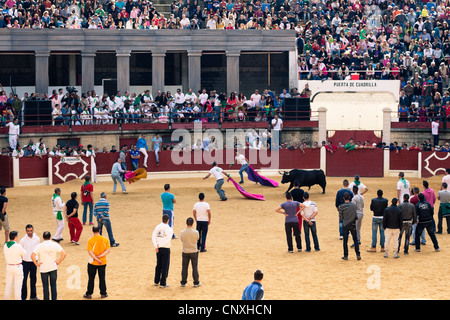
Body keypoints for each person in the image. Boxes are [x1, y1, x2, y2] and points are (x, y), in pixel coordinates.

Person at [31, 231, 67, 300]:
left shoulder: (40, 245)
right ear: (50, 237)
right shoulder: (55, 244)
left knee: (45, 286)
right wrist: (59, 262)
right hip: (53, 267)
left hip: (43, 268)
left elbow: (32, 255)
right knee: (53, 285)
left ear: (43, 238)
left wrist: (36, 264)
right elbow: (64, 254)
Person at [83, 226, 111, 299]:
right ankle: (103, 293)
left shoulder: (90, 240)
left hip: (93, 262)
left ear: (92, 231)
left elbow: (90, 252)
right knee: (102, 278)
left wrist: (96, 258)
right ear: (99, 230)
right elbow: (108, 250)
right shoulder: (105, 239)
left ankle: (89, 294)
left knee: (91, 278)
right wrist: (100, 257)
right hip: (102, 262)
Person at [152, 214, 173, 288]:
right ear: (168, 220)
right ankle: (163, 282)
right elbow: (168, 239)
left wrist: (156, 246)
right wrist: (161, 244)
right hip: (165, 248)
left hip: (158, 248)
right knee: (165, 265)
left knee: (158, 264)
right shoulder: (169, 229)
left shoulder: (157, 227)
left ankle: (156, 281)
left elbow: (153, 236)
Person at [19, 224, 40, 300]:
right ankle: (23, 297)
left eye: (31, 230)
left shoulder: (37, 239)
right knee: (24, 280)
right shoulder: (22, 240)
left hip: (34, 262)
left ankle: (33, 296)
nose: (29, 232)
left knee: (33, 279)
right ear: (26, 231)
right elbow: (20, 252)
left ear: (33, 230)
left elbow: (38, 249)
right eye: (28, 231)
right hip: (25, 262)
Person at [3, 231, 26, 300]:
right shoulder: (18, 246)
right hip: (17, 267)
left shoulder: (5, 245)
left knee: (8, 286)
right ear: (15, 237)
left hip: (9, 266)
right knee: (18, 288)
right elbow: (24, 254)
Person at [180, 217, 201, 288]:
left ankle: (183, 281)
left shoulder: (182, 232)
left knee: (184, 267)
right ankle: (196, 282)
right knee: (194, 267)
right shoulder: (196, 232)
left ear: (186, 223)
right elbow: (197, 239)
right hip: (194, 251)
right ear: (192, 224)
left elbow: (182, 240)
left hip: (185, 251)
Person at [339, 192, 361, 260]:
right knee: (355, 240)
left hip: (345, 224)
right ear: (349, 197)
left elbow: (341, 216)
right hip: (353, 224)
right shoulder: (354, 205)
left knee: (345, 241)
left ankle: (346, 255)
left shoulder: (341, 206)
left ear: (343, 198)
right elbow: (355, 214)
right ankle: (358, 254)